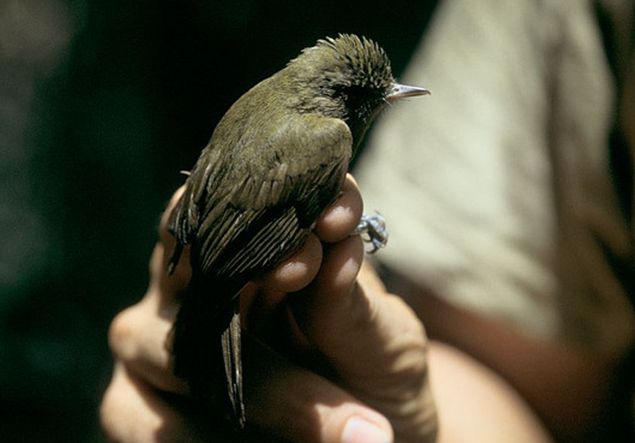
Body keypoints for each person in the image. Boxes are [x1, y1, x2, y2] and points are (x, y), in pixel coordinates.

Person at [101, 0, 635, 441]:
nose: (390, 99)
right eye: (372, 96)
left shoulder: (271, 104)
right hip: (232, 264)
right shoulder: (325, 138)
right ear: (341, 98)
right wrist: (222, 286)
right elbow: (277, 232)